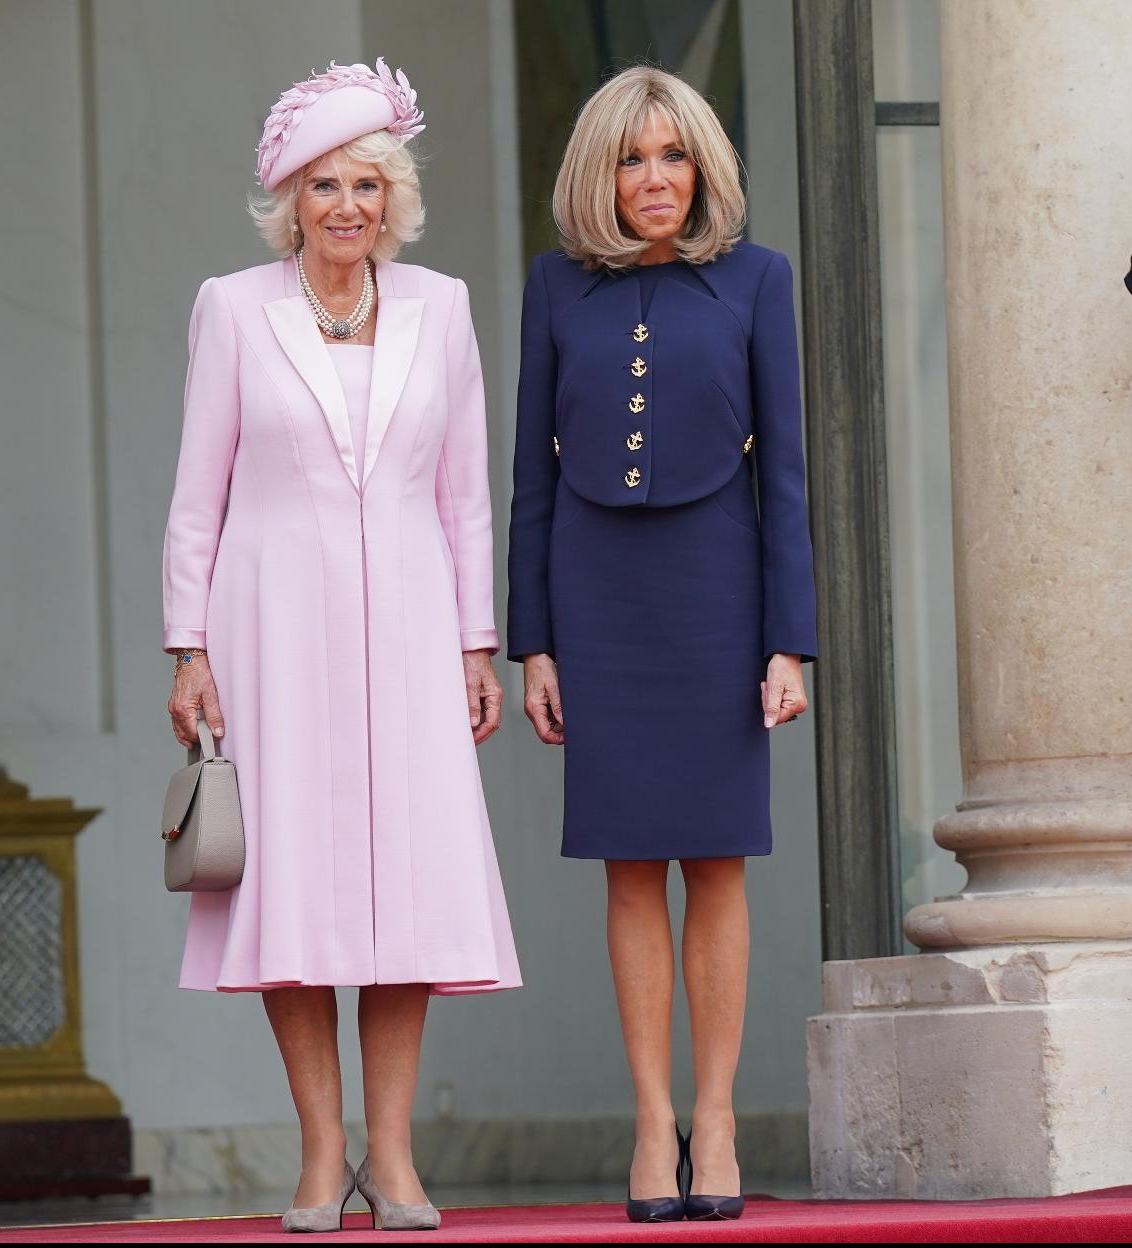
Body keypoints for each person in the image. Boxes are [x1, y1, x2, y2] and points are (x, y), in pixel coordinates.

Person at [161, 58, 520, 1234]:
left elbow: (467, 492)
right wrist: (187, 647)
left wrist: (478, 643)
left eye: (369, 184)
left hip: (414, 627)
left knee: (404, 886)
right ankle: (325, 1158)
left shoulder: (444, 306)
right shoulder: (232, 307)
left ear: (395, 199)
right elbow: (196, 497)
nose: (349, 207)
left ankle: (398, 1159)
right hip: (268, 632)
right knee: (299, 889)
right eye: (325, 186)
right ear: (291, 202)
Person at [507, 65, 817, 1224]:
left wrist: (790, 642)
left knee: (716, 861)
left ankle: (720, 1117)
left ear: (704, 169)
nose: (654, 179)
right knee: (629, 864)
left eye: (673, 156)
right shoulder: (554, 288)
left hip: (717, 594)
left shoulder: (757, 282)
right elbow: (529, 478)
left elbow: (784, 475)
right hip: (596, 599)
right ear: (601, 170)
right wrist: (531, 642)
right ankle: (653, 1126)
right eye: (632, 158)